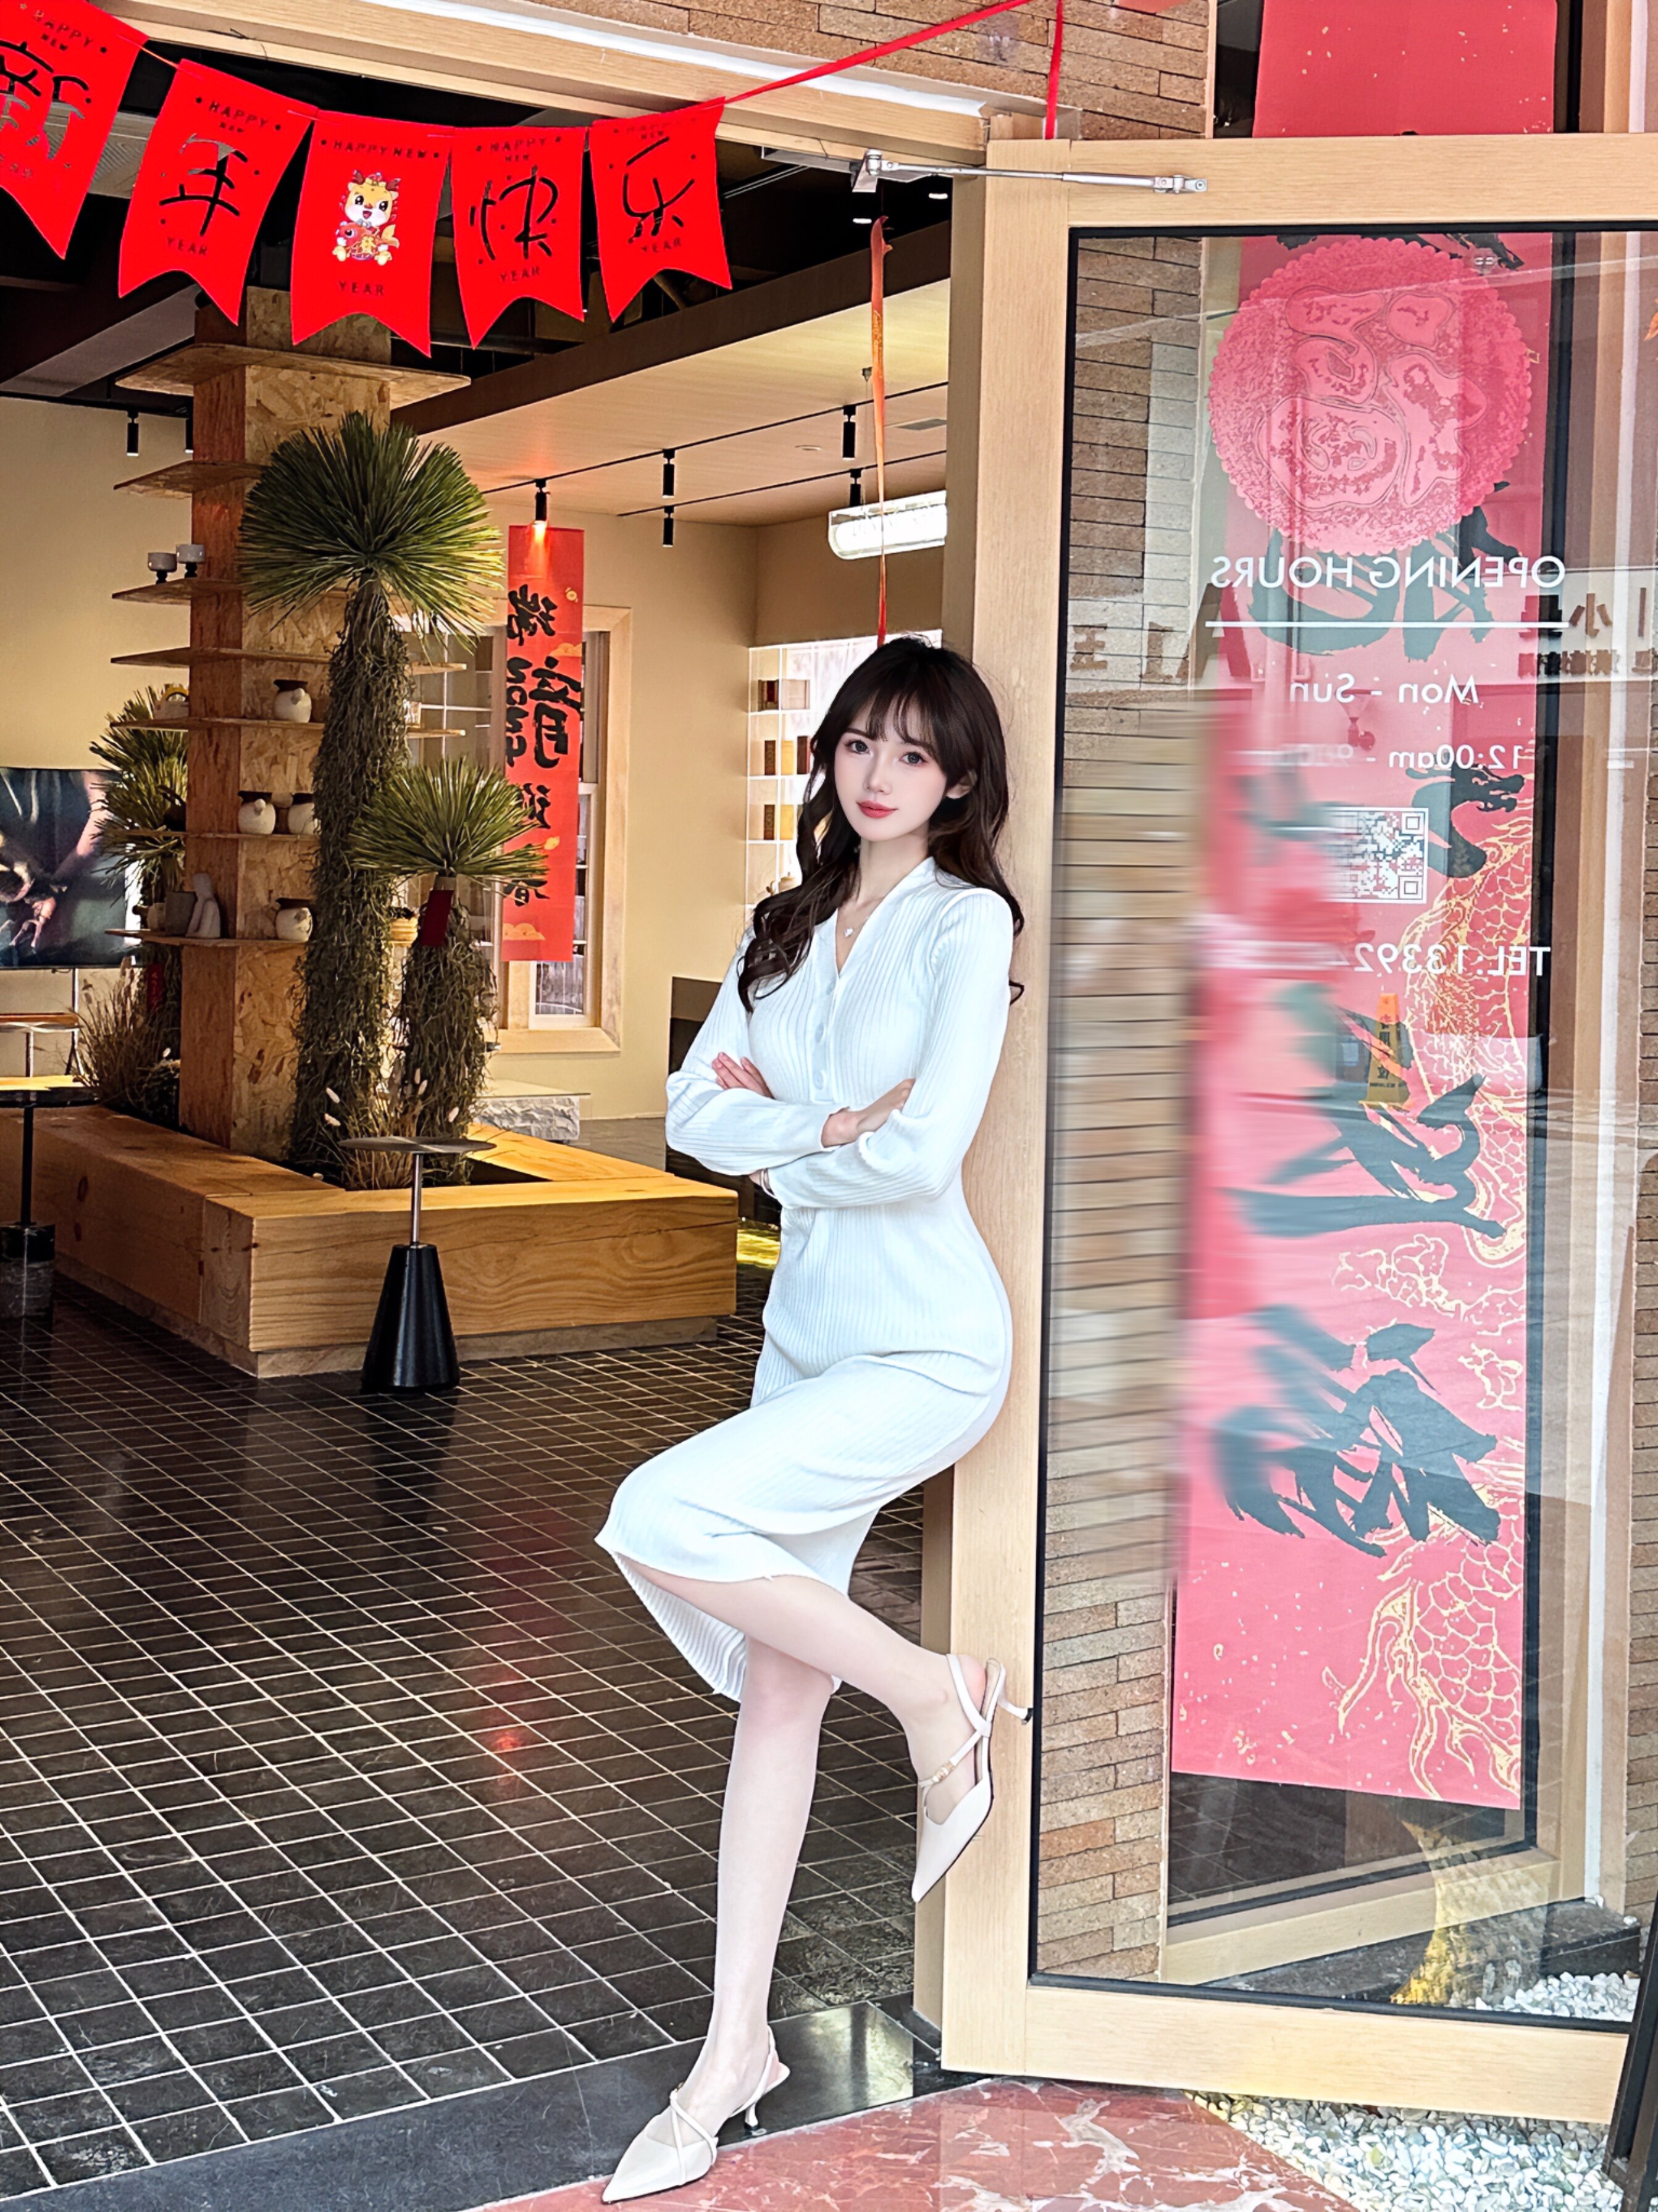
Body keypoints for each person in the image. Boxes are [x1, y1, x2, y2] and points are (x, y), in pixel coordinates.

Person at [595, 636, 1028, 2203]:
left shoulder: (966, 924)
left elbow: (921, 1155)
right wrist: (823, 1124)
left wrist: (786, 1136)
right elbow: (689, 1114)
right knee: (775, 1695)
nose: (876, 772)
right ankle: (732, 2054)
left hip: (924, 1341)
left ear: (957, 780)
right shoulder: (780, 927)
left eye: (911, 752)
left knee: (657, 1513)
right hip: (805, 1338)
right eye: (858, 742)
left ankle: (932, 1696)